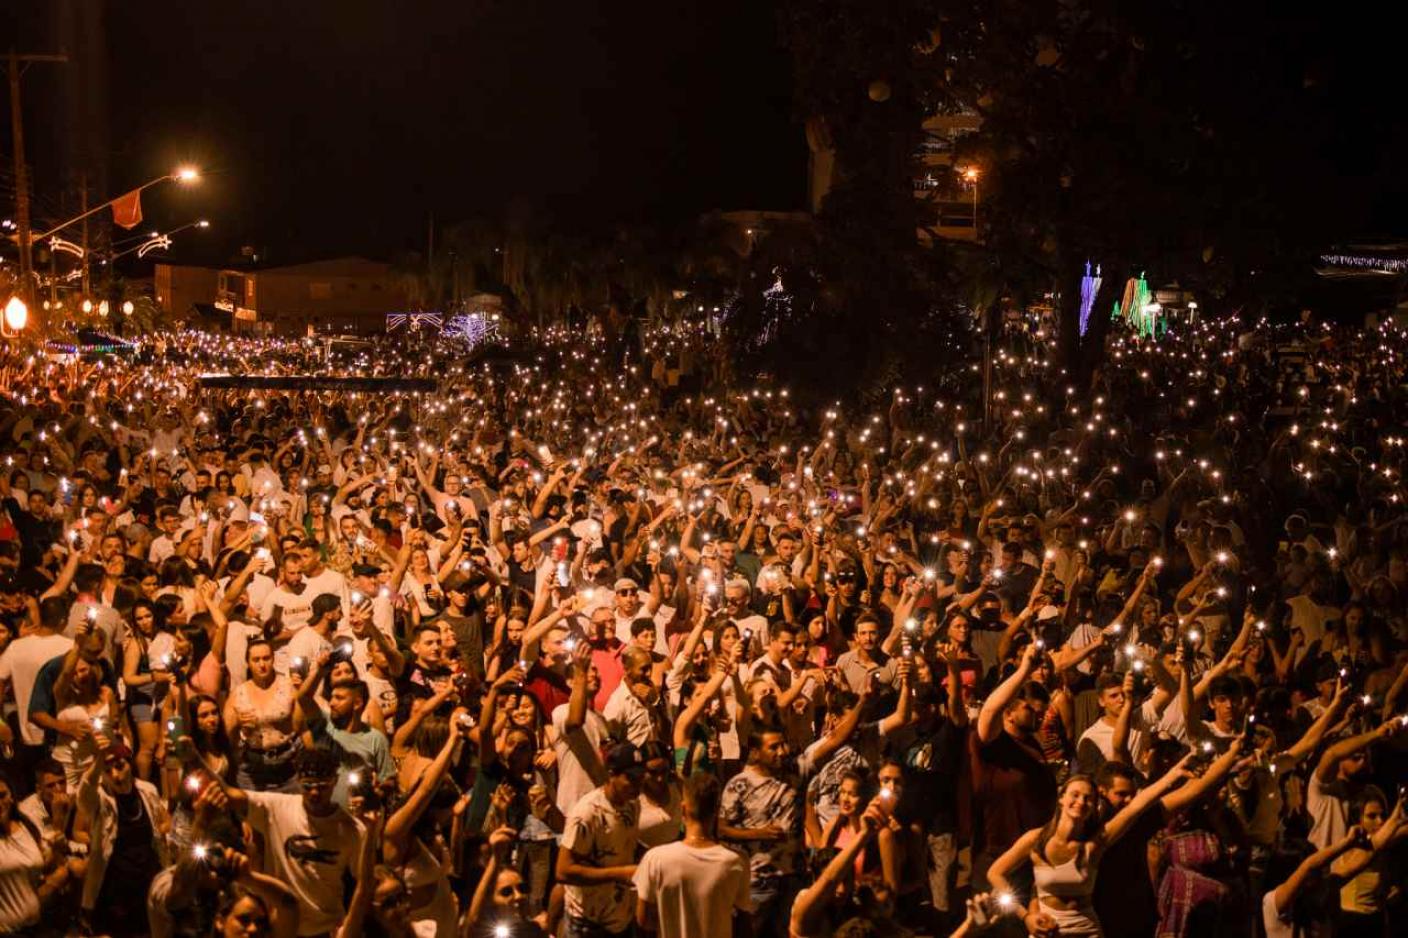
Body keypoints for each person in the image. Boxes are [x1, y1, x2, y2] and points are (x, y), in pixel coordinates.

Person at [210, 747, 363, 937]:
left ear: (335, 781)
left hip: (326, 929)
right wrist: (195, 758)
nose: (314, 793)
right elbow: (230, 794)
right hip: (281, 928)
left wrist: (350, 926)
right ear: (298, 780)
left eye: (322, 786)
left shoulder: (352, 829)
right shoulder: (277, 807)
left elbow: (363, 884)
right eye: (308, 786)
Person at [635, 772, 752, 937]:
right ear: (717, 810)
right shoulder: (736, 861)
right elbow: (743, 922)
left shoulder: (655, 859)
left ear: (683, 809)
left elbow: (644, 920)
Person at [558, 742, 645, 938]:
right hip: (588, 922)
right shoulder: (587, 813)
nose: (637, 786)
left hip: (620, 916)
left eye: (641, 778)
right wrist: (619, 873)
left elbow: (622, 842)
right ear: (612, 774)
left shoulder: (633, 805)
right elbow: (563, 870)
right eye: (631, 778)